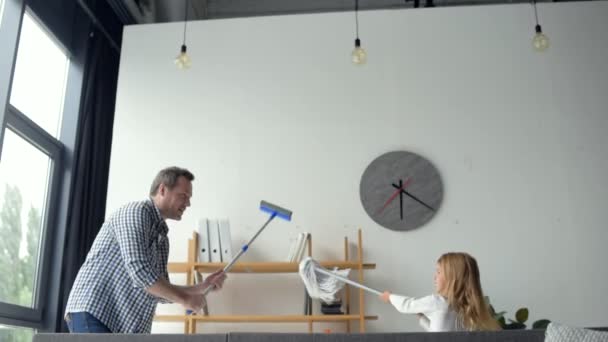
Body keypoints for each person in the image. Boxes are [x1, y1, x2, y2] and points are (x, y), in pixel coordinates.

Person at [65, 166, 226, 333]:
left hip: (120, 325)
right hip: (95, 312)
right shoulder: (137, 212)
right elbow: (140, 271)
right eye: (183, 196)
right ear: (162, 189)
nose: (188, 203)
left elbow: (159, 291)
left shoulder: (162, 238)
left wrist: (201, 287)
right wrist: (186, 299)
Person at [380, 252, 500, 332]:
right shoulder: (467, 309)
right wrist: (421, 318)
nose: (434, 277)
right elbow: (439, 333)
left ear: (452, 277)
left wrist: (390, 297)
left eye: (438, 272)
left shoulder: (437, 302)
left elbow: (407, 305)